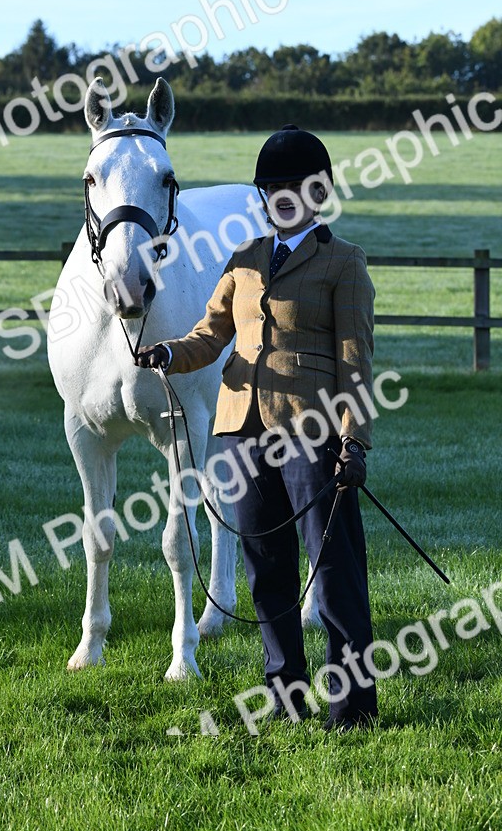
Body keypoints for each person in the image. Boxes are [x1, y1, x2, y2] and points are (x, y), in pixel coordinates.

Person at [135, 124, 378, 732]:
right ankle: (286, 697)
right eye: (273, 187)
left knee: (333, 574)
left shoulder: (344, 263)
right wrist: (168, 354)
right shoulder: (243, 260)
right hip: (240, 432)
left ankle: (352, 710)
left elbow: (356, 361)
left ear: (318, 193)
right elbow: (211, 334)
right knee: (266, 568)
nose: (284, 196)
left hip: (313, 431)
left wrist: (354, 441)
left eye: (297, 186)